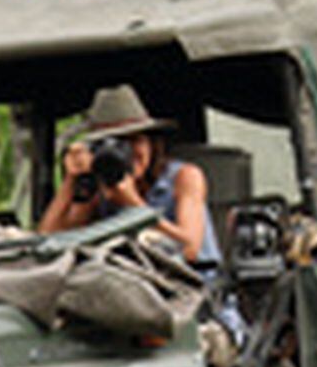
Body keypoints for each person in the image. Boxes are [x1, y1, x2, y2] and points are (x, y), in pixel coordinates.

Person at [35, 85, 221, 269]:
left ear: (152, 144)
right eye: (117, 144)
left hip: (191, 288)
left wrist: (133, 205)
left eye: (135, 140)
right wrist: (71, 180)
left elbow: (189, 249)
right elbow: (48, 240)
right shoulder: (102, 185)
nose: (128, 153)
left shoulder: (184, 177)